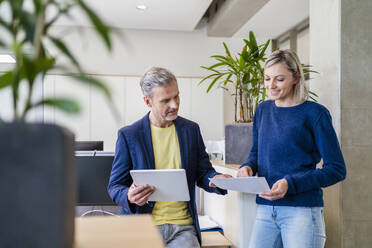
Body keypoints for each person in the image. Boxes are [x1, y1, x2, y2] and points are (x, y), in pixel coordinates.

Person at [108, 67, 231, 248]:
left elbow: (203, 172)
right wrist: (129, 195)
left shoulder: (191, 130)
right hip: (143, 226)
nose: (174, 105)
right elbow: (114, 186)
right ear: (147, 101)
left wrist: (215, 179)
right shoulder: (130, 135)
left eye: (177, 96)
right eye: (166, 100)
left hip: (183, 227)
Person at [237, 50, 347, 248]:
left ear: (296, 77)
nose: (271, 85)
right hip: (265, 209)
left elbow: (337, 169)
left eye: (279, 79)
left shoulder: (315, 114)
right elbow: (256, 152)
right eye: (267, 78)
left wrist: (291, 183)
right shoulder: (263, 110)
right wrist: (248, 167)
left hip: (302, 212)